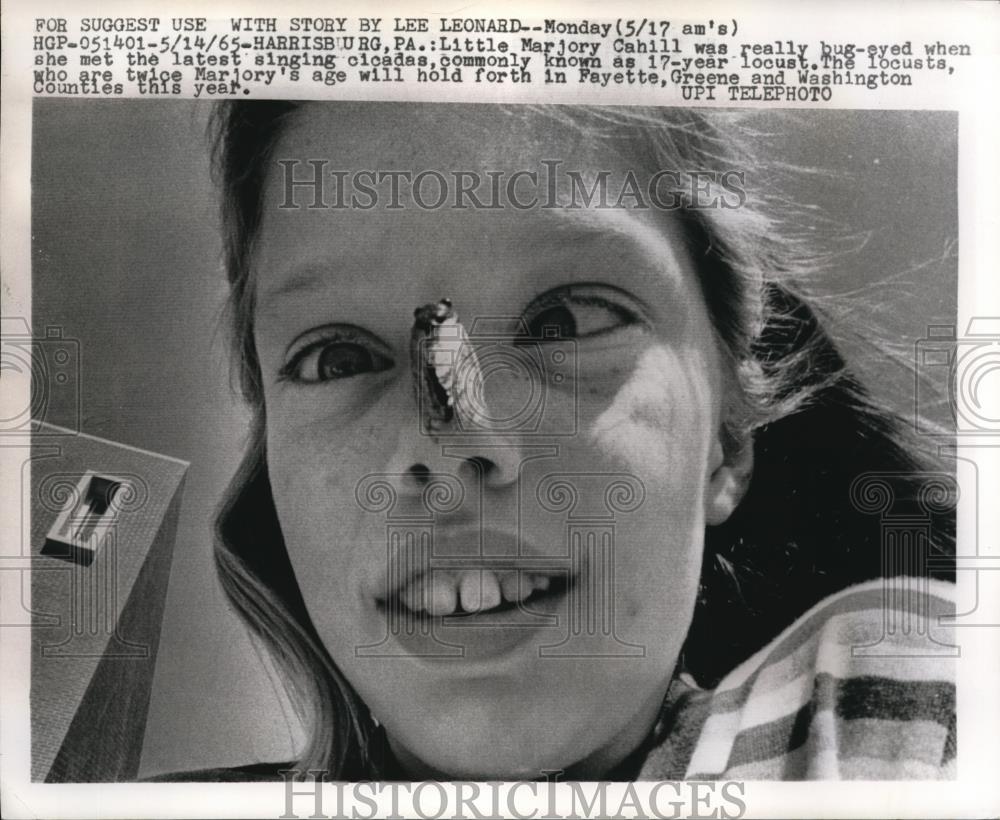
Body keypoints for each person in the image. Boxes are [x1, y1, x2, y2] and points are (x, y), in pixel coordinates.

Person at [154, 102, 956, 781]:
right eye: (340, 358)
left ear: (728, 436)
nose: (451, 442)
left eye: (564, 321)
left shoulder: (890, 700)